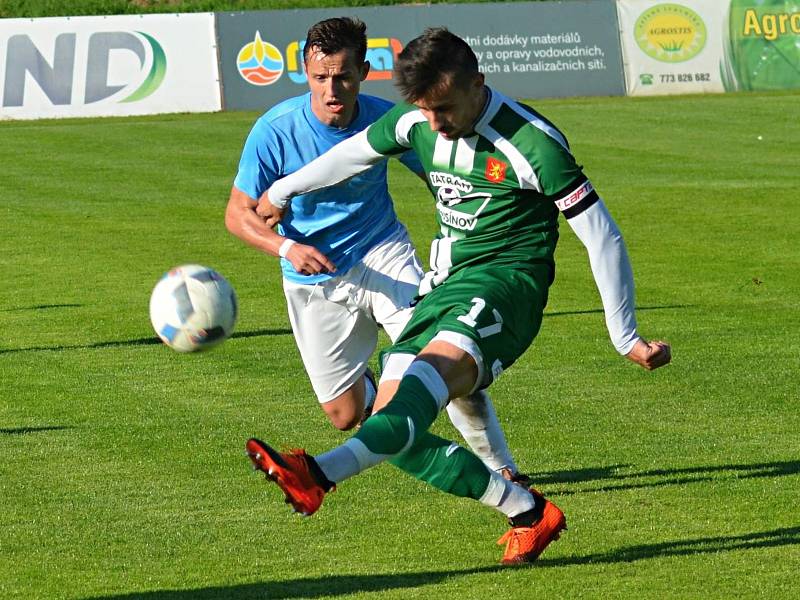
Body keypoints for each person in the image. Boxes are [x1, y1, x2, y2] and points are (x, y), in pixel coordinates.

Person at [246, 27, 671, 565]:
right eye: (426, 111)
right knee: (390, 427)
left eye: (445, 108)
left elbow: (601, 234)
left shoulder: (533, 144)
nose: (436, 124)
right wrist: (282, 190)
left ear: (478, 83)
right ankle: (526, 511)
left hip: (505, 286)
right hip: (445, 285)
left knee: (418, 390)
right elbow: (351, 155)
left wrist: (624, 335)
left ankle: (319, 474)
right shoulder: (417, 122)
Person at [225, 19, 527, 481]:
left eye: (343, 76)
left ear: (364, 71)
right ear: (305, 72)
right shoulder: (274, 131)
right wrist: (287, 247)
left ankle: (502, 470)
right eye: (320, 77)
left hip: (383, 253)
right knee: (344, 416)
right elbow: (238, 214)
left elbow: (440, 167)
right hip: (315, 279)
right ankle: (378, 400)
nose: (332, 89)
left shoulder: (387, 120)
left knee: (445, 356)